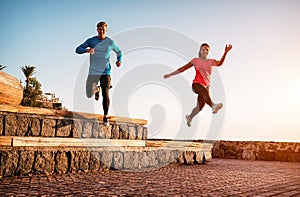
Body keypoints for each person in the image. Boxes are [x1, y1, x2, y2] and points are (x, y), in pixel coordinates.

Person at [163, 43, 232, 127]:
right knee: (204, 93)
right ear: (200, 51)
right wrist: (170, 74)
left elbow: (220, 63)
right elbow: (183, 68)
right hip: (196, 85)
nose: (205, 51)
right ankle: (213, 106)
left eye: (207, 50)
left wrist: (225, 52)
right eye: (203, 49)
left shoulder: (211, 62)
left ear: (208, 52)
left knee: (200, 107)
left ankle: (190, 117)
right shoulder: (196, 61)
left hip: (206, 87)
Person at [75, 21, 122, 126]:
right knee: (88, 93)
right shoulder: (92, 41)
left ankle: (105, 117)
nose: (101, 31)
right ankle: (96, 89)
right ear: (97, 30)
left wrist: (119, 60)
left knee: (106, 94)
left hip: (106, 72)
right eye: (99, 29)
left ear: (106, 30)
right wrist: (87, 50)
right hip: (93, 72)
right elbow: (77, 49)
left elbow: (119, 52)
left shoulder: (110, 42)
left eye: (103, 30)